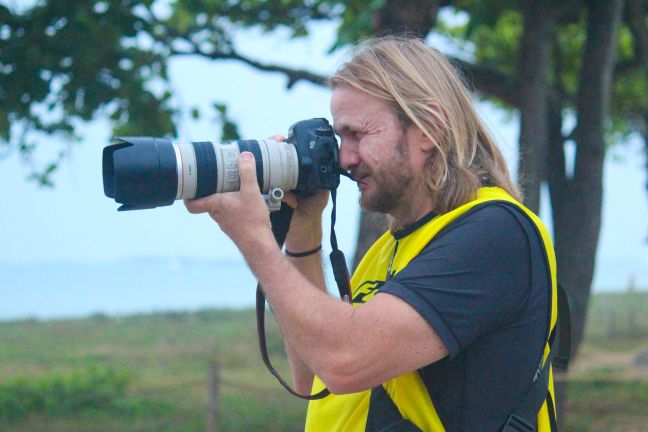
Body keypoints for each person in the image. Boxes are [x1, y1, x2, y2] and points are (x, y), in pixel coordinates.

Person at [185, 36, 559, 432]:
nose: (345, 159)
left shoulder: (495, 234)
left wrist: (255, 240)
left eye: (358, 135)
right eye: (340, 139)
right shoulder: (392, 250)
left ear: (428, 128)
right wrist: (302, 229)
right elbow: (317, 377)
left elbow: (345, 360)